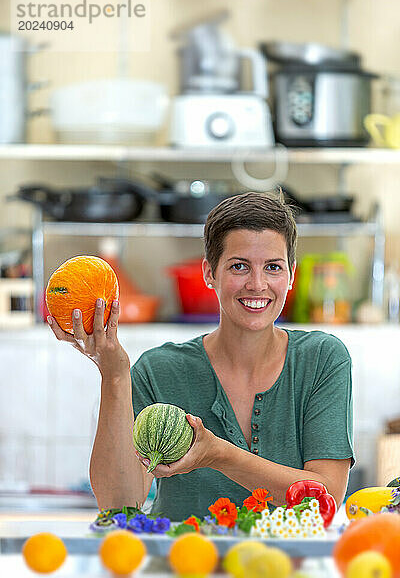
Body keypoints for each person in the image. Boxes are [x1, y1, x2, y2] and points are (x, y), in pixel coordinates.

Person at [47, 191, 354, 521]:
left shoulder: (322, 359)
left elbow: (325, 499)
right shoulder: (159, 371)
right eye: (239, 266)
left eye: (273, 267)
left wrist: (218, 454)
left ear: (291, 275)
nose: (257, 283)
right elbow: (119, 505)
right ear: (210, 273)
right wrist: (115, 375)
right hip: (180, 567)